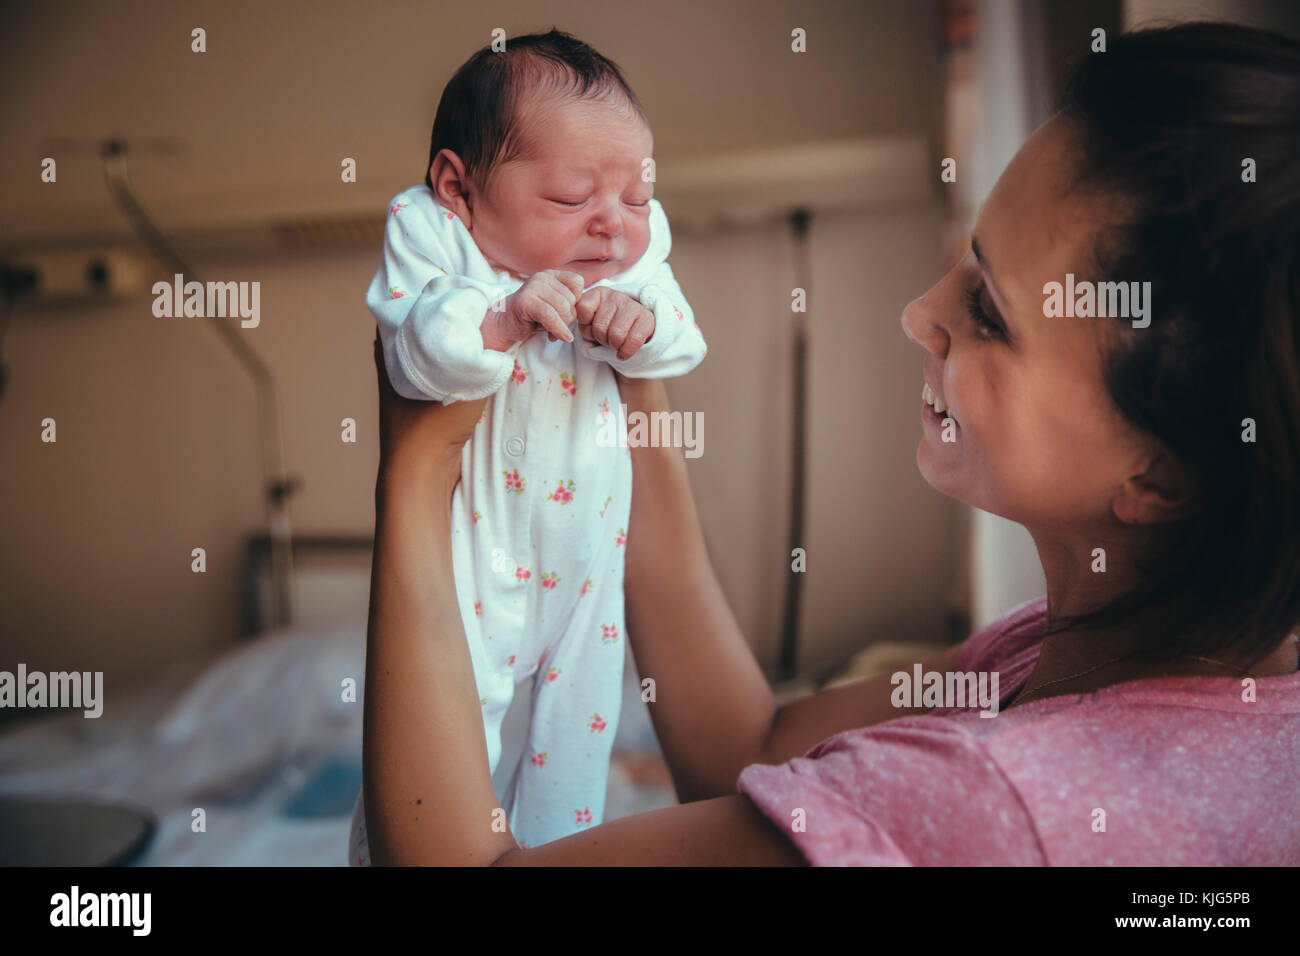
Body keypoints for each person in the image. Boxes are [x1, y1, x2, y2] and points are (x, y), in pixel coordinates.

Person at [360, 23, 1300, 865]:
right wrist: (622, 355)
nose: (917, 313)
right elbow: (748, 748)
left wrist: (415, 470)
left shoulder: (984, 802)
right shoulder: (1079, 660)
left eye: (986, 310)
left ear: (1164, 472)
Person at [354, 29, 706, 863]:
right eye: (570, 198)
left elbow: (682, 339)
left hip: (587, 551)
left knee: (576, 736)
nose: (611, 223)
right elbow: (418, 354)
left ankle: (555, 848)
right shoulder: (430, 232)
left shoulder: (632, 248)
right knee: (439, 725)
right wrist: (506, 315)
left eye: (633, 194)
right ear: (460, 187)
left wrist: (641, 324)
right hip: (469, 553)